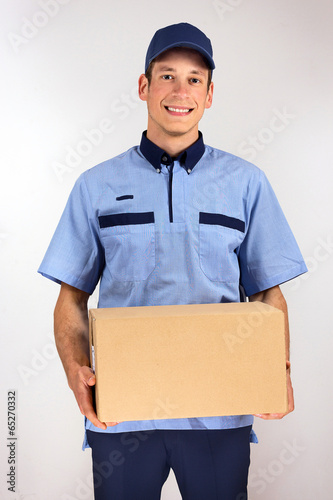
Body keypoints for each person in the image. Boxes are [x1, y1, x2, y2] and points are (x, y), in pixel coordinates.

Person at [38, 22, 307, 500]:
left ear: (208, 95)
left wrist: (277, 372)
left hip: (219, 410)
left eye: (195, 79)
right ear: (144, 86)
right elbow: (71, 296)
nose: (180, 91)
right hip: (121, 414)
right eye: (167, 76)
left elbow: (268, 293)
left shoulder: (247, 183)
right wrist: (76, 371)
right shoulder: (95, 185)